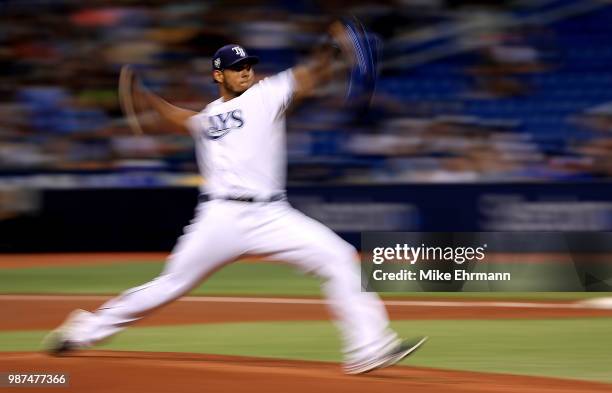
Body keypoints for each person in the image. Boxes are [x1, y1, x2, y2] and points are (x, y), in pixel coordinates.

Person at [43, 21, 427, 374]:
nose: (246, 71)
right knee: (168, 286)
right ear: (218, 74)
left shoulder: (268, 93)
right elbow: (179, 117)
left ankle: (368, 348)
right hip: (219, 219)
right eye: (237, 67)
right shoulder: (208, 116)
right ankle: (85, 328)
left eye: (249, 65)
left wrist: (331, 48)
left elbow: (311, 73)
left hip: (273, 215)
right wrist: (146, 98)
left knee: (339, 256)